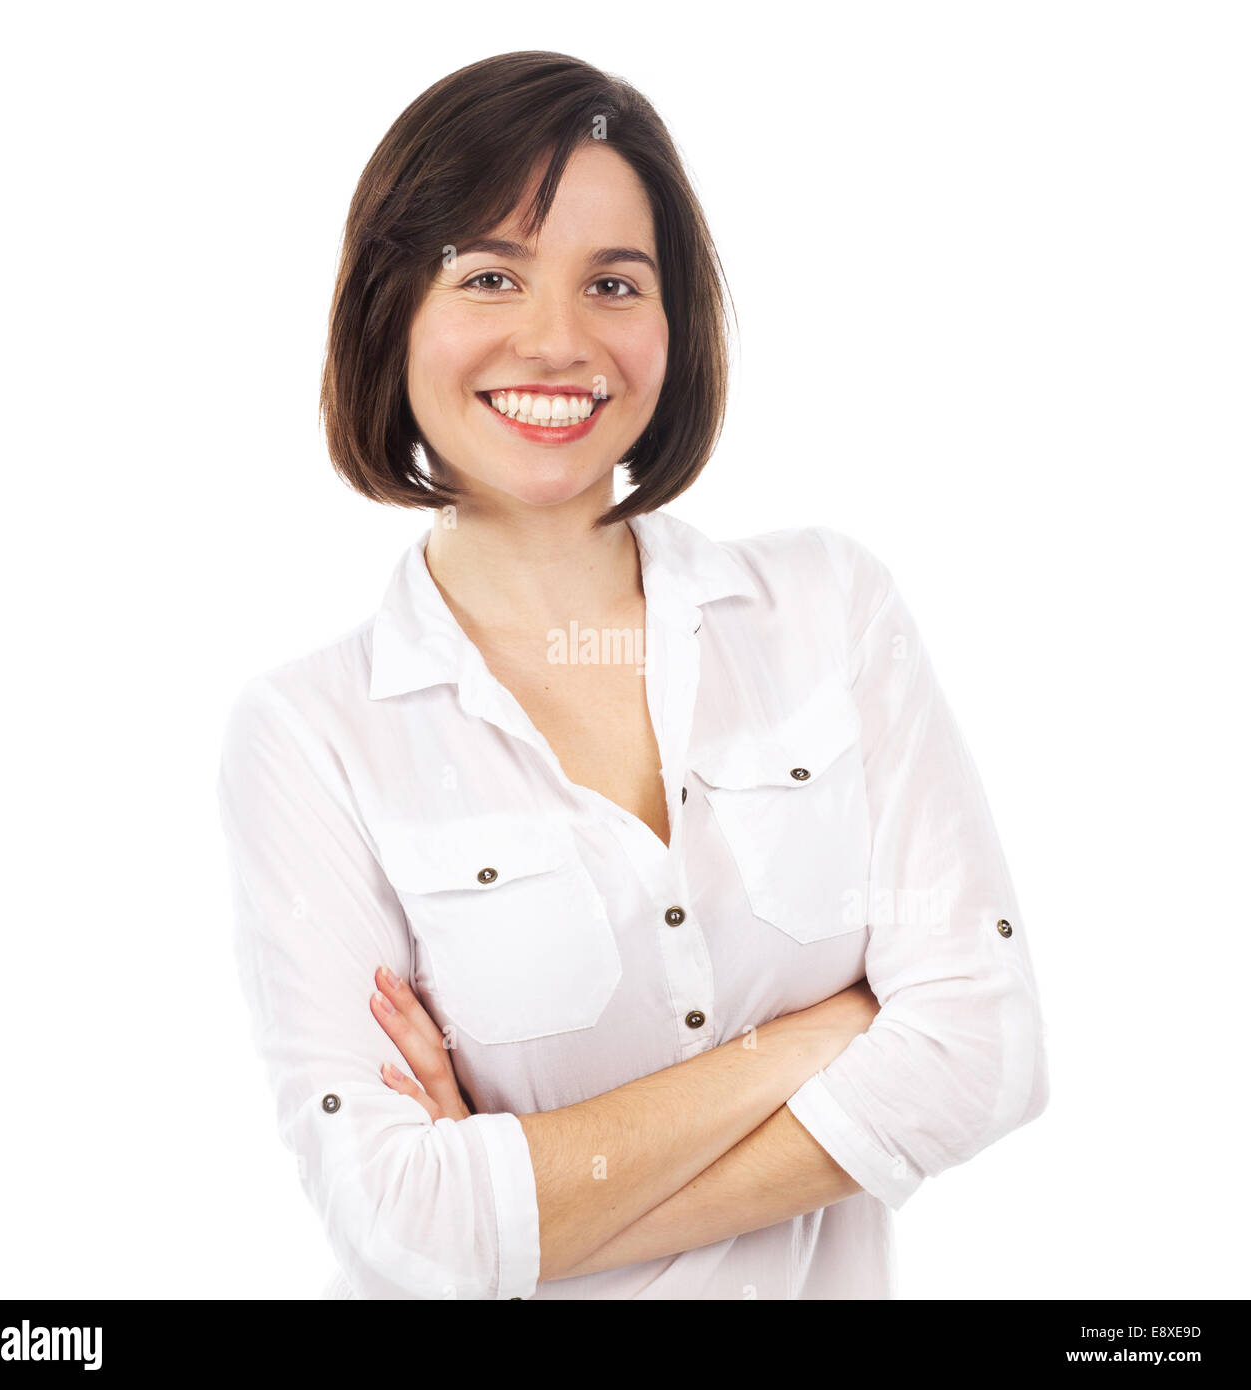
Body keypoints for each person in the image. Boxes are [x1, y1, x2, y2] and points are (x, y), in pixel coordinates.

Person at [214, 50, 1050, 1301]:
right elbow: (399, 1230)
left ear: (674, 324)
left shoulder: (829, 609)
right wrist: (820, 1035)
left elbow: (985, 1053)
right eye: (489, 274)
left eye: (614, 281)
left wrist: (517, 1204)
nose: (557, 339)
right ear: (393, 313)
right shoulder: (311, 736)